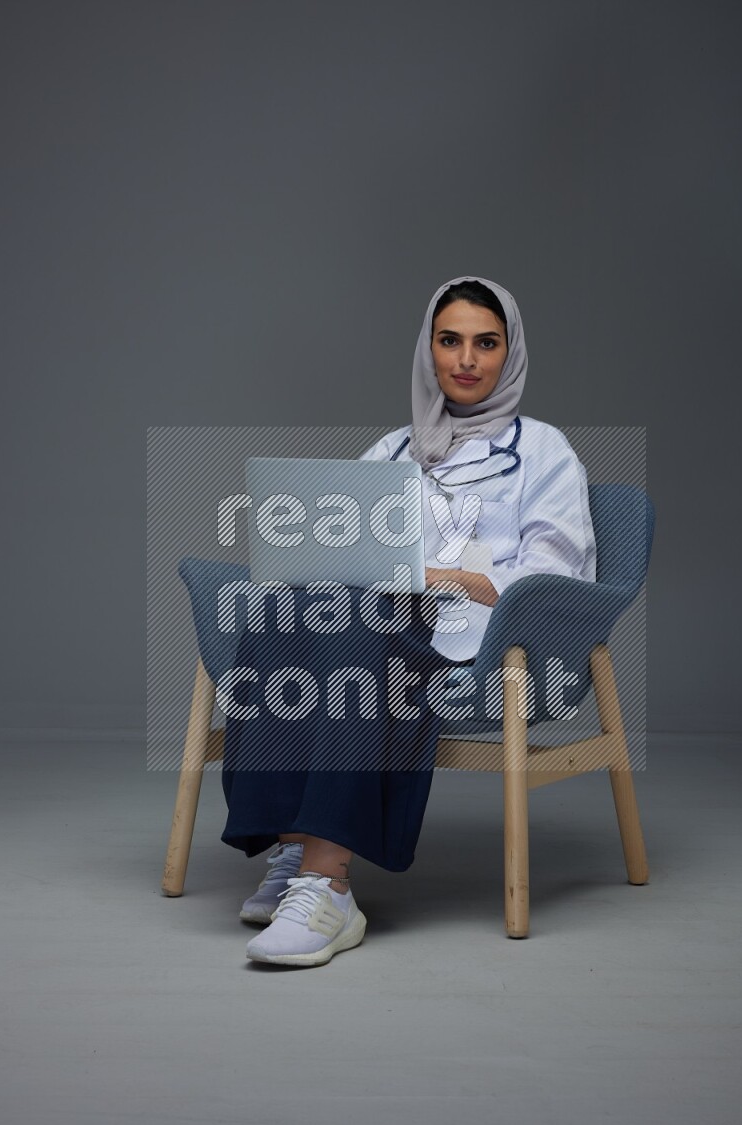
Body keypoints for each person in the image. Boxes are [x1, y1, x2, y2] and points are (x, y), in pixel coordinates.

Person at [221, 275, 597, 967]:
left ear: (510, 352)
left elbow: (556, 575)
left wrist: (442, 579)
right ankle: (293, 846)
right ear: (429, 349)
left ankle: (328, 887)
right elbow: (340, 547)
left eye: (486, 343)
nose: (466, 359)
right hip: (385, 615)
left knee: (359, 633)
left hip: (482, 640)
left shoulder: (545, 451)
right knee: (278, 610)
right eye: (449, 340)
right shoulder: (393, 450)